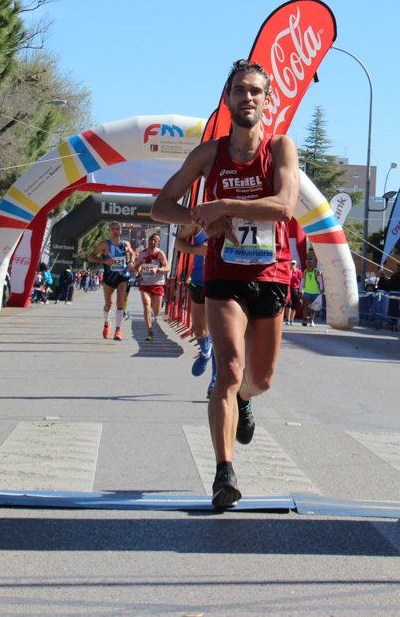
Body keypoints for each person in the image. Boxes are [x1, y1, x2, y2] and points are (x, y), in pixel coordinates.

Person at [151, 59, 299, 509]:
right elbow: (161, 206)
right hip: (223, 276)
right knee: (229, 373)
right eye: (240, 90)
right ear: (228, 98)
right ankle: (223, 473)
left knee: (261, 380)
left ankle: (246, 403)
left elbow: (284, 207)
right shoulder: (207, 155)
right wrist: (201, 218)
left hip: (269, 275)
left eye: (256, 91)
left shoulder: (280, 148)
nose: (247, 97)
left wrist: (221, 205)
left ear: (267, 99)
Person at [175, 224, 215, 386]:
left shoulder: (236, 217)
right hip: (200, 282)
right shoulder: (200, 220)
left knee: (221, 335)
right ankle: (206, 353)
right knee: (199, 331)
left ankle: (215, 381)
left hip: (224, 283)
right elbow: (178, 241)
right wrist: (198, 250)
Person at [89, 222, 134, 340]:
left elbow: (132, 253)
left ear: (120, 231)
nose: (115, 231)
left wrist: (131, 262)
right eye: (113, 229)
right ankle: (106, 323)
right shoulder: (105, 244)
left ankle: (118, 331)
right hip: (109, 277)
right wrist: (105, 261)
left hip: (122, 276)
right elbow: (91, 257)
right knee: (109, 304)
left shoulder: (125, 244)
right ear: (109, 231)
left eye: (117, 229)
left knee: (120, 302)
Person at [134, 232, 169, 341]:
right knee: (146, 305)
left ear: (158, 243)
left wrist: (157, 270)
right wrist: (136, 270)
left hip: (157, 283)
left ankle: (157, 303)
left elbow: (167, 268)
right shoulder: (142, 253)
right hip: (145, 283)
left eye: (155, 241)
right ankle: (150, 331)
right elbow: (138, 266)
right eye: (151, 240)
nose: (152, 242)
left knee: (156, 312)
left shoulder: (159, 254)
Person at [301, 257, 322, 326]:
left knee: (313, 307)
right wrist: (301, 290)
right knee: (305, 306)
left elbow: (320, 281)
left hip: (315, 291)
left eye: (310, 262)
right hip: (307, 291)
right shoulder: (305, 272)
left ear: (312, 262)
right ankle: (304, 320)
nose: (309, 263)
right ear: (306, 263)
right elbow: (302, 282)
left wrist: (321, 289)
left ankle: (311, 320)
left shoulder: (316, 271)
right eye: (308, 262)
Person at [284, 258, 303, 326]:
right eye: (291, 264)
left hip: (296, 290)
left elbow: (301, 282)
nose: (292, 265)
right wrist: (291, 272)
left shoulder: (299, 272)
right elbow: (288, 279)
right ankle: (287, 319)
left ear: (296, 265)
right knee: (288, 304)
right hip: (289, 289)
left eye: (294, 264)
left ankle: (292, 320)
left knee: (293, 305)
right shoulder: (289, 271)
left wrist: (301, 292)